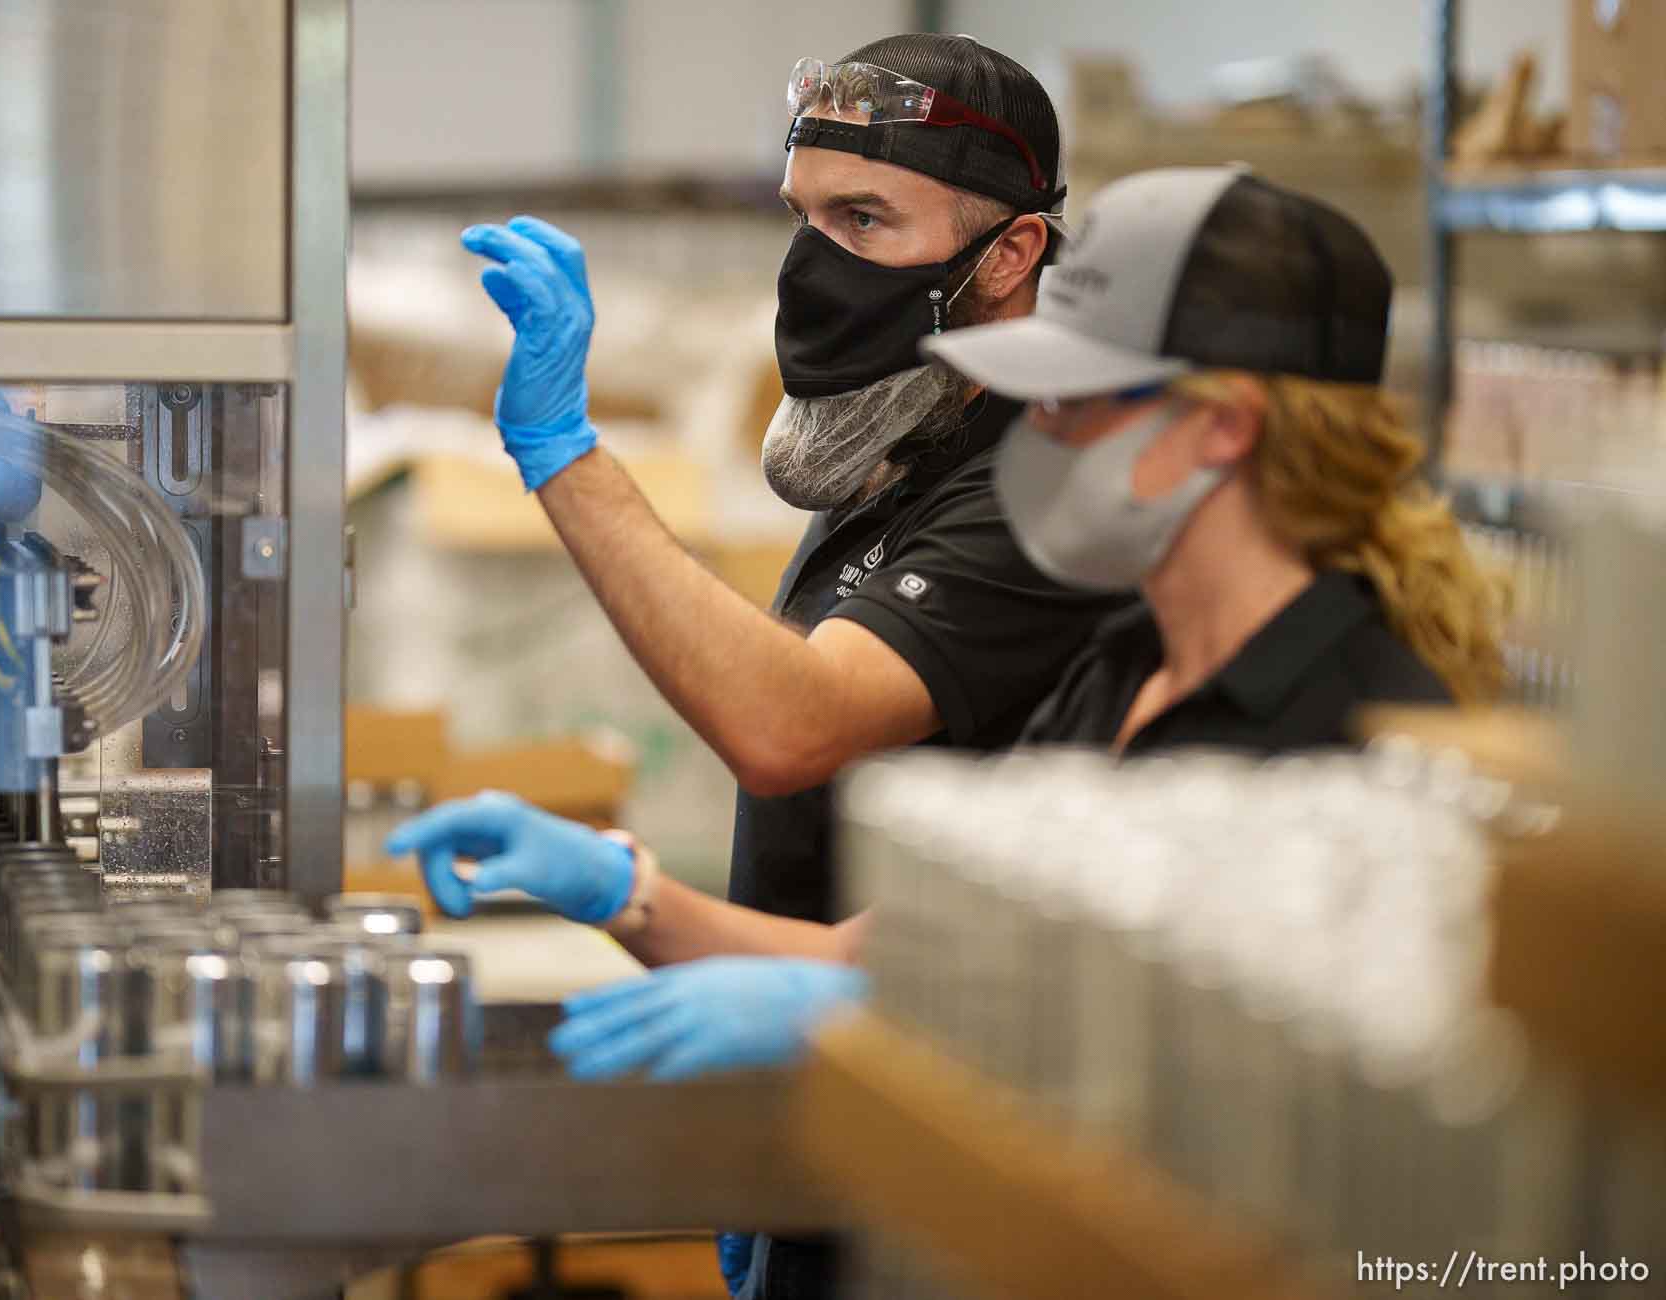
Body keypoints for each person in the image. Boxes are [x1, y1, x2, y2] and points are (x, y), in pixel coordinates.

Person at [393, 166, 1508, 1298]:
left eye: (1077, 401)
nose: (1040, 437)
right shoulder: (1120, 673)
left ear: (1220, 427)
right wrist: (623, 893)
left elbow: (1271, 1116)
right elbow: (872, 965)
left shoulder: (1369, 727)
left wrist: (856, 1022)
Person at [452, 33, 1128, 943]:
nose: (813, 264)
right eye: (801, 217)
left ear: (1010, 255)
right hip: (821, 1002)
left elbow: (792, 727)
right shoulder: (908, 432)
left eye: (862, 219)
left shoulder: (1045, 487)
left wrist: (564, 455)